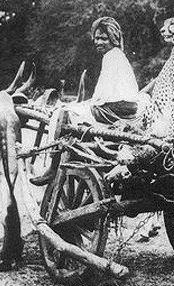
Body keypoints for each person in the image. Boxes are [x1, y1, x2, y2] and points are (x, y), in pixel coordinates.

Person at [31, 17, 140, 185]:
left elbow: (102, 95)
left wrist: (81, 105)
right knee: (75, 108)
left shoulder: (111, 57)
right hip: (126, 108)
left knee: (62, 113)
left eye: (104, 38)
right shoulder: (119, 56)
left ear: (113, 39)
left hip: (115, 109)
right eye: (96, 38)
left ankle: (53, 166)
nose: (99, 42)